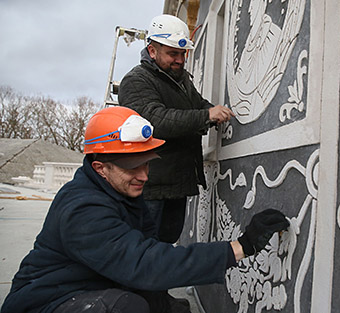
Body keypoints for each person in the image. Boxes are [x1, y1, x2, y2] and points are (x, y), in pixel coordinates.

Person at [0, 106, 289, 313]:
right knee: (127, 307)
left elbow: (148, 250)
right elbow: (145, 264)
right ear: (100, 167)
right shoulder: (82, 209)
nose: (144, 176)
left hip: (89, 284)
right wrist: (240, 247)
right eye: (131, 167)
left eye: (146, 162)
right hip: (47, 302)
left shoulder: (120, 190)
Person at [118, 14, 235, 244]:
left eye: (182, 54)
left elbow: (198, 104)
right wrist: (206, 116)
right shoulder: (136, 81)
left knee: (166, 244)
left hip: (175, 185)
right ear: (152, 51)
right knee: (142, 249)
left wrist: (213, 112)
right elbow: (155, 120)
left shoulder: (180, 79)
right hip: (149, 187)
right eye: (173, 53)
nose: (180, 60)